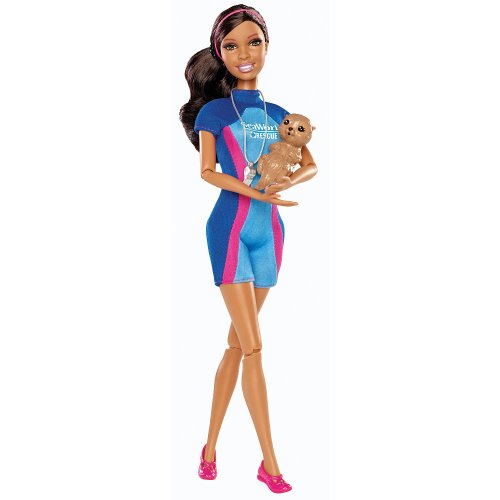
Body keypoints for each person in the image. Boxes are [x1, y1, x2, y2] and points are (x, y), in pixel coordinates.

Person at [179, 4, 317, 494]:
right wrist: (255, 191)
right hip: (230, 230)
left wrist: (287, 181)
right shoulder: (215, 113)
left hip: (271, 233)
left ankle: (209, 448)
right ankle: (270, 464)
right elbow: (207, 172)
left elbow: (311, 164)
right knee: (254, 346)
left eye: (254, 41)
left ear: (267, 45)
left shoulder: (280, 114)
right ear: (220, 52)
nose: (245, 53)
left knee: (238, 343)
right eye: (232, 45)